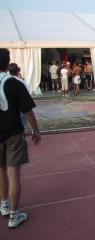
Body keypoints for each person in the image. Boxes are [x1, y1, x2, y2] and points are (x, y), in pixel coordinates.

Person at [0, 48, 41, 229]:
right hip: (13, 133)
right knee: (13, 173)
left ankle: (4, 206)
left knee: (0, 171)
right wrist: (36, 130)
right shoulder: (15, 83)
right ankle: (14, 216)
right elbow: (28, 111)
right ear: (8, 63)